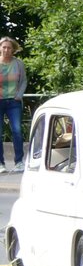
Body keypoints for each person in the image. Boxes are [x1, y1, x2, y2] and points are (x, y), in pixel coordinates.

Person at [0, 36, 27, 173]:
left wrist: (19, 95)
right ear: (0, 48)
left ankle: (19, 162)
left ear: (13, 50)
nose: (6, 50)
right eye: (4, 47)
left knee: (17, 131)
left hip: (14, 102)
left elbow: (23, 81)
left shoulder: (18, 64)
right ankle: (1, 164)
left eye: (9, 48)